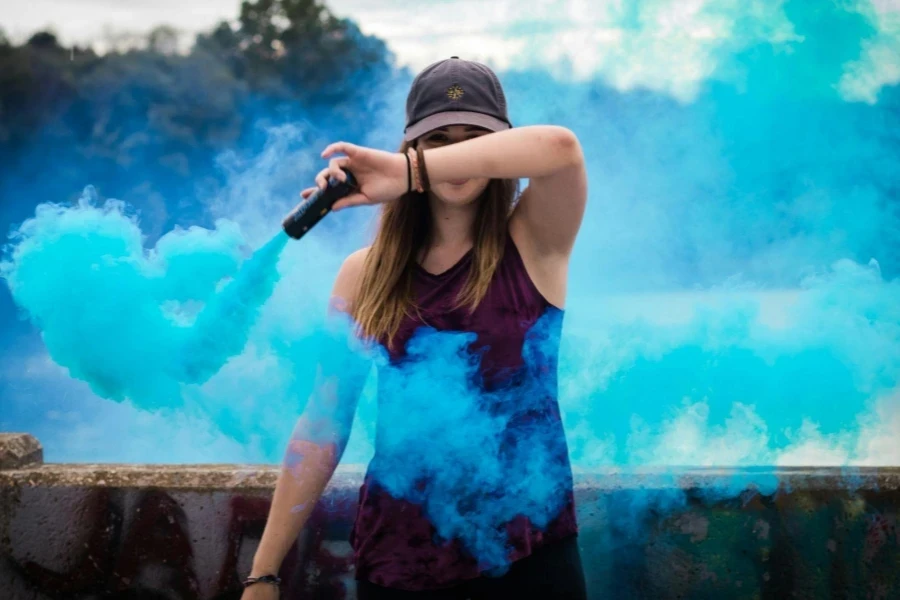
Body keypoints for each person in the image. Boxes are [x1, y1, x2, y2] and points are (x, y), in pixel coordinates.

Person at [241, 56, 588, 599]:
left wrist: (411, 172)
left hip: (529, 557)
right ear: (410, 144)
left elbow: (561, 149)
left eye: (471, 140)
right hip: (399, 566)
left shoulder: (534, 242)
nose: (454, 155)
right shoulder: (364, 273)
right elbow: (323, 425)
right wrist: (262, 573)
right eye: (437, 140)